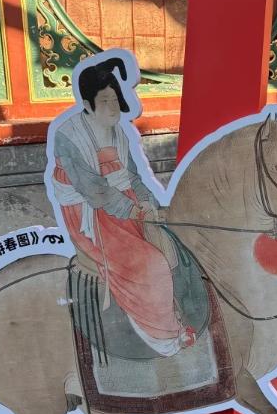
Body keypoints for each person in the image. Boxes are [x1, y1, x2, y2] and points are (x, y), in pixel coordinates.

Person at [52, 55, 194, 356]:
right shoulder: (68, 136)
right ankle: (163, 336)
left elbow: (132, 176)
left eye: (115, 99)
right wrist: (132, 210)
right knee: (150, 263)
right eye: (105, 101)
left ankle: (176, 314)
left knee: (171, 244)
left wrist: (148, 204)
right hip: (90, 214)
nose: (113, 107)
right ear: (87, 104)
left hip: (124, 202)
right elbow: (93, 189)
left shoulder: (118, 131)